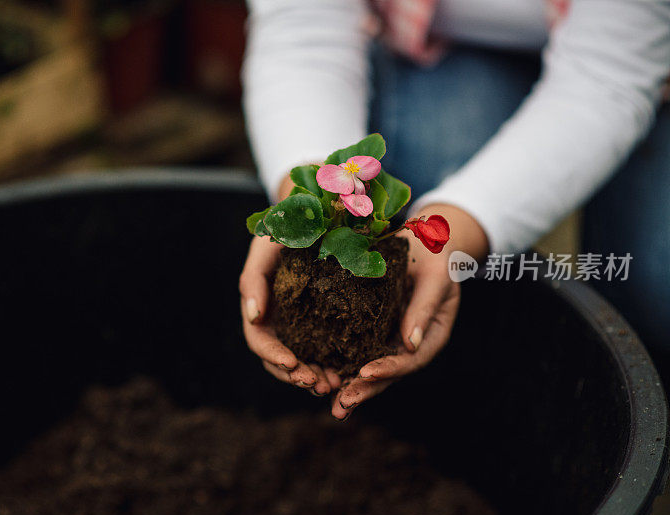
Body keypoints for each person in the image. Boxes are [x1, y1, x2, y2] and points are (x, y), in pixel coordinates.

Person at [238, 0, 670, 420]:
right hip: (452, 36)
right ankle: (450, 393)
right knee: (427, 179)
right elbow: (303, 29)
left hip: (637, 57)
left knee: (657, 282)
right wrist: (306, 195)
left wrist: (466, 222)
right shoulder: (347, 181)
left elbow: (608, 77)